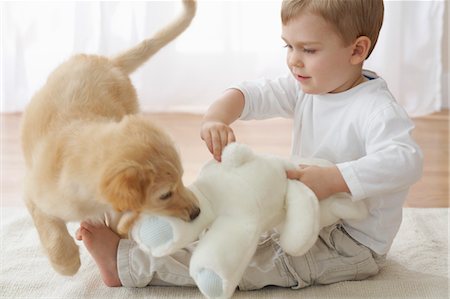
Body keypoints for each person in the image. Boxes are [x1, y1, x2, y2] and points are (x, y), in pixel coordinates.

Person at [77, 0, 423, 291]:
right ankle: (148, 233)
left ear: (357, 50)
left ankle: (127, 264)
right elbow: (252, 93)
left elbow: (405, 160)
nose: (294, 60)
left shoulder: (376, 109)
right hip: (298, 212)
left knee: (250, 259)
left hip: (349, 242)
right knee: (226, 217)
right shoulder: (314, 84)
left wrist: (333, 179)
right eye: (289, 46)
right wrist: (215, 118)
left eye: (309, 49)